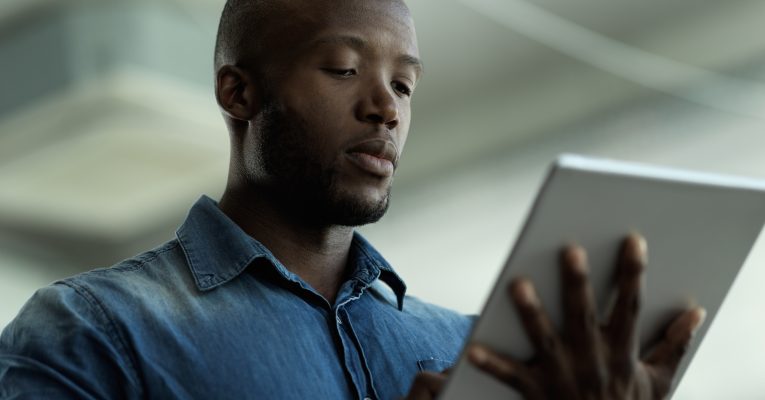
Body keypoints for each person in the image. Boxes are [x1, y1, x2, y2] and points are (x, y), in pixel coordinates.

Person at [0, 0, 705, 399]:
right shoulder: (93, 330)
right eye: (343, 69)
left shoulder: (475, 353)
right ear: (238, 93)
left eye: (404, 85)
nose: (385, 109)